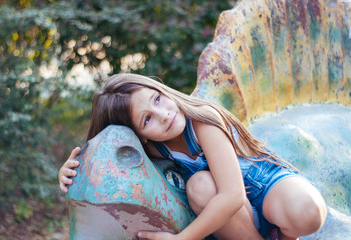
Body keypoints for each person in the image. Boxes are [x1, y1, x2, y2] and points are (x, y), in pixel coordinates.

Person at [58, 73, 327, 240]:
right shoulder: (151, 148)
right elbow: (108, 157)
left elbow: (232, 195)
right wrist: (73, 171)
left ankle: (283, 235)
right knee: (199, 186)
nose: (164, 115)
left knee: (307, 212)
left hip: (263, 186)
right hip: (236, 219)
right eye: (148, 119)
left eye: (157, 99)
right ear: (138, 136)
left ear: (162, 90)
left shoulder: (202, 121)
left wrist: (183, 239)